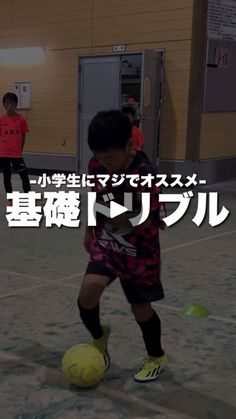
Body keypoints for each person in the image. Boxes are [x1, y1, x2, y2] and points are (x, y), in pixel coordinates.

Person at [78, 110, 167, 382]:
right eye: (100, 157)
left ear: (129, 146)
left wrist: (124, 217)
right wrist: (89, 229)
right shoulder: (96, 166)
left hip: (139, 254)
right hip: (107, 244)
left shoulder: (145, 173)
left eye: (110, 158)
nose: (104, 164)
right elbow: (96, 197)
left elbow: (156, 219)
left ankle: (156, 356)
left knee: (140, 309)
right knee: (87, 294)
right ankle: (99, 336)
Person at [0, 92, 31, 204]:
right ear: (4, 105)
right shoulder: (1, 120)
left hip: (17, 154)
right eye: (7, 104)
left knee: (24, 176)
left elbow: (23, 136)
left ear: (16, 105)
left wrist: (20, 149)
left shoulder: (21, 120)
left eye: (12, 104)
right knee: (7, 177)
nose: (9, 106)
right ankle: (10, 200)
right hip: (3, 154)